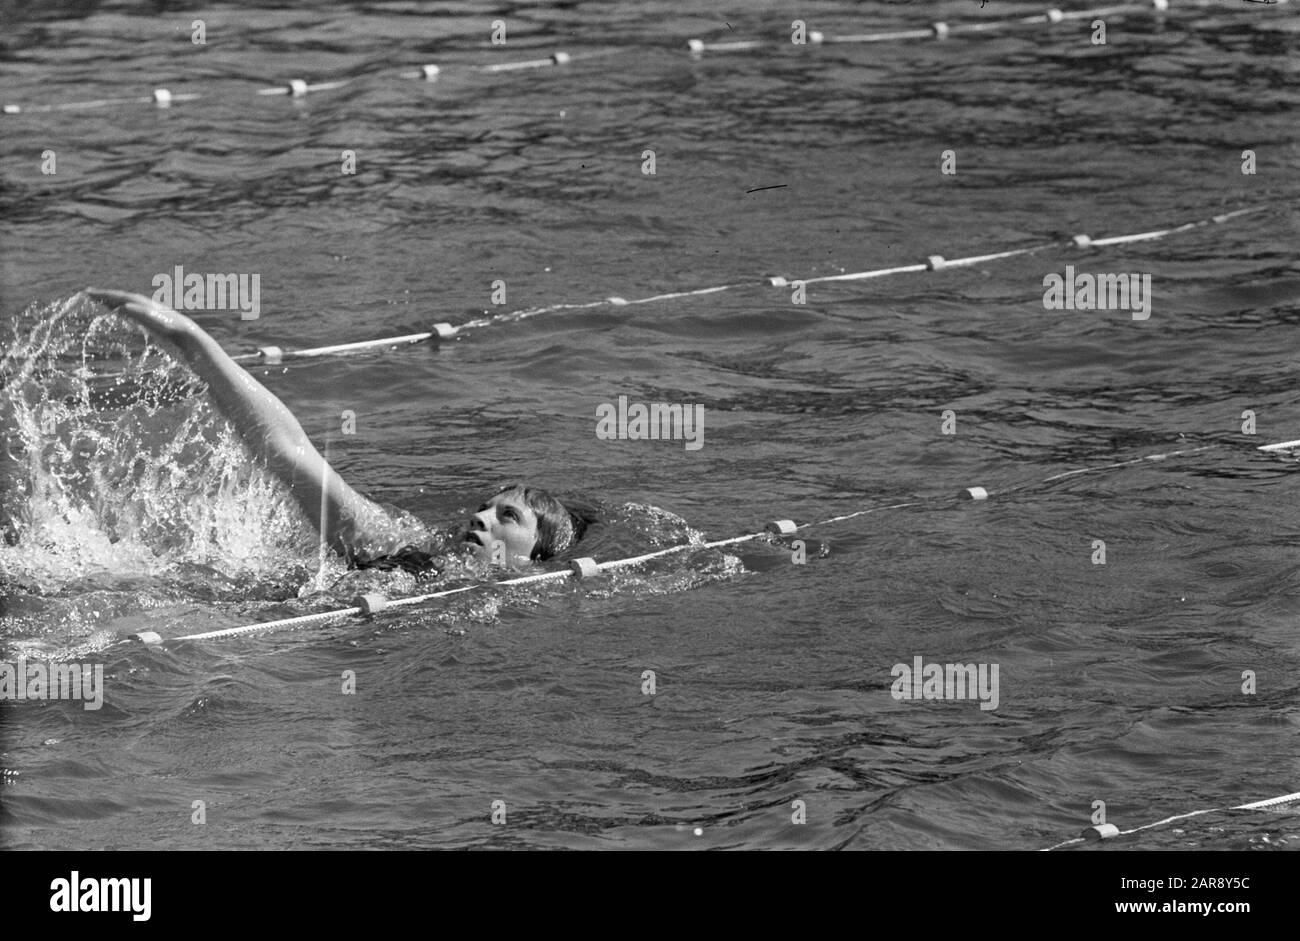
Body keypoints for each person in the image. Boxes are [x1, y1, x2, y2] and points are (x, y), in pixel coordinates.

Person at [82, 289, 585, 575]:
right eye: (486, 505)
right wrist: (191, 341)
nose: (479, 516)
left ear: (537, 555)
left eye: (507, 516)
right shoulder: (402, 546)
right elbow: (289, 452)